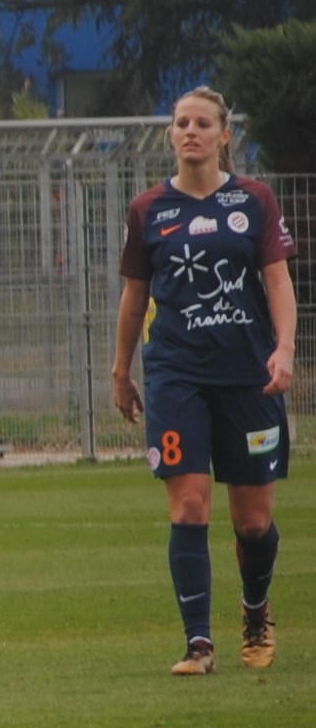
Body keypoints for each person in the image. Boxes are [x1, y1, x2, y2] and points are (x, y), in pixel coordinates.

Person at [112, 85, 294, 673]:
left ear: (224, 135)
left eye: (202, 123)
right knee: (189, 505)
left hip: (247, 376)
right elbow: (133, 299)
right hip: (175, 374)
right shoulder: (148, 210)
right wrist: (120, 370)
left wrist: (284, 349)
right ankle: (198, 644)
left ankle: (255, 609)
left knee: (253, 523)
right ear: (171, 134)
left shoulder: (254, 200)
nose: (191, 131)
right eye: (182, 123)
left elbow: (277, 281)